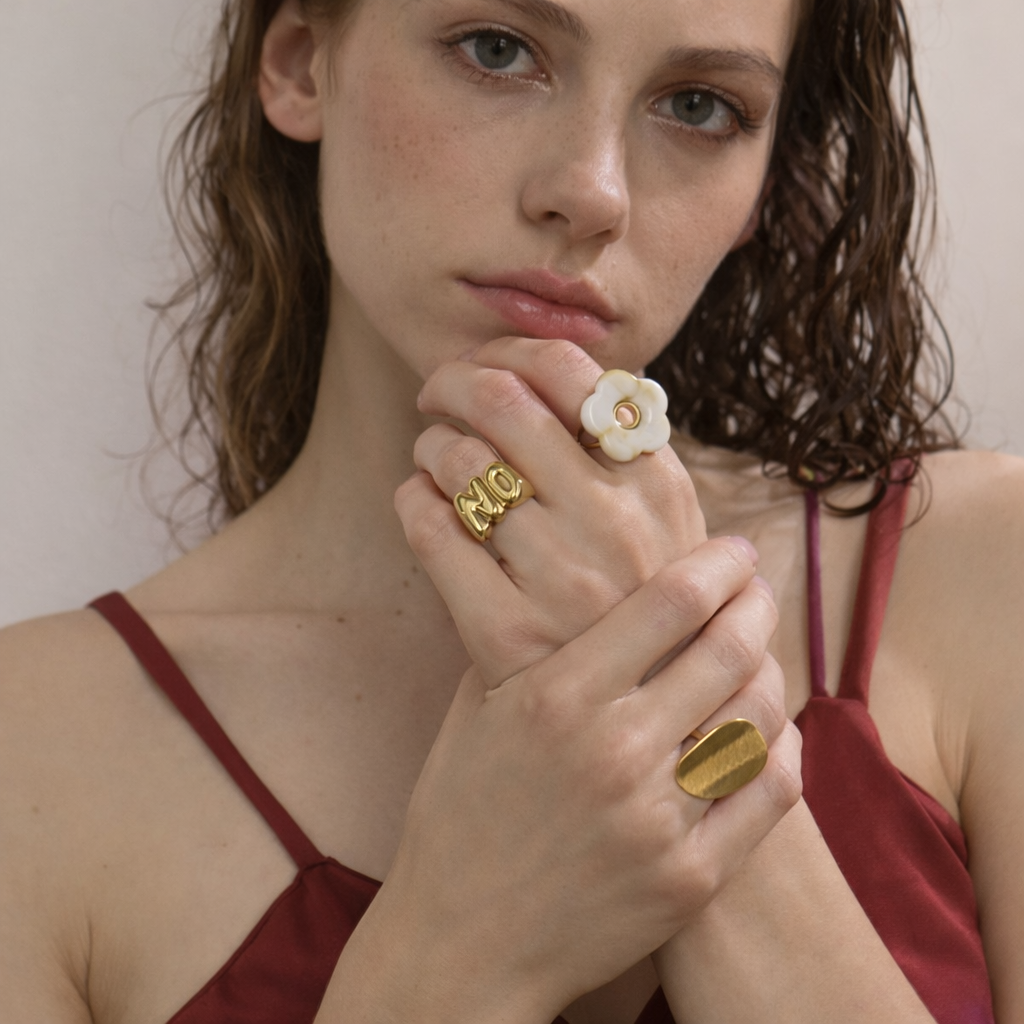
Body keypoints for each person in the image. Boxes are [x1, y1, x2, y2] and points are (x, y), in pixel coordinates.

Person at [1, 0, 1021, 1021]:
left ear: (764, 178)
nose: (592, 192)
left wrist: (677, 703)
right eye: (497, 51)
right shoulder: (35, 752)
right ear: (305, 62)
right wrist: (463, 943)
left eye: (700, 106)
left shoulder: (980, 569)